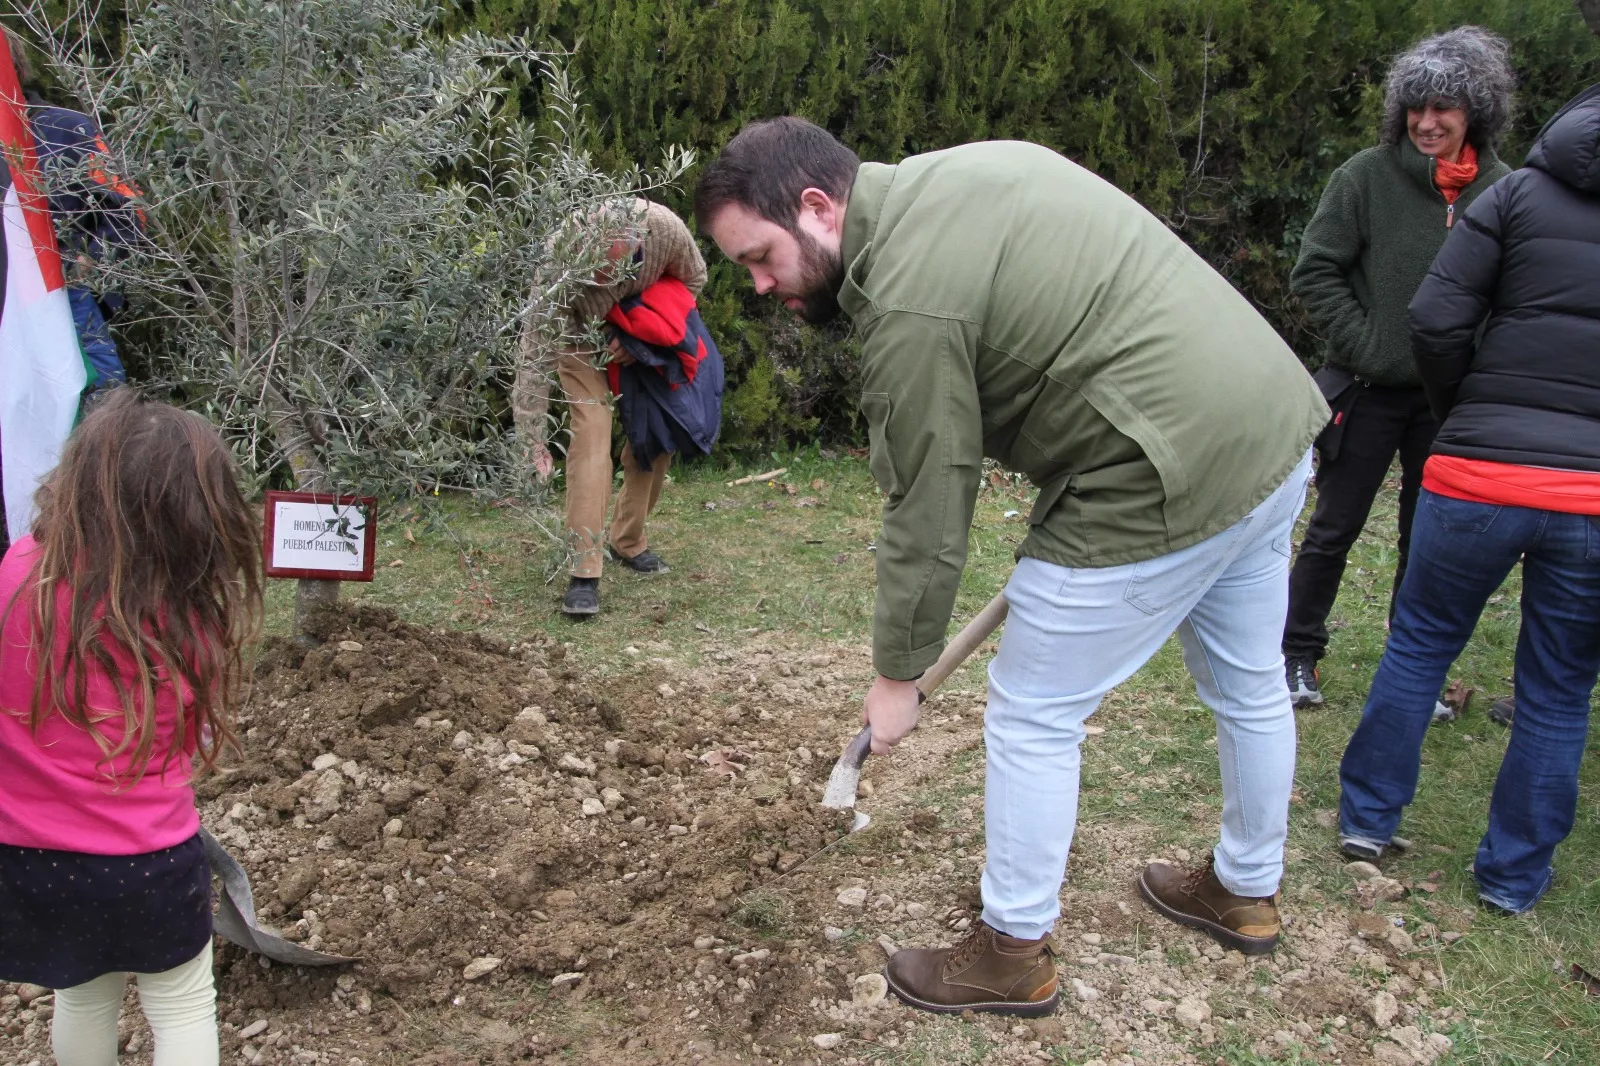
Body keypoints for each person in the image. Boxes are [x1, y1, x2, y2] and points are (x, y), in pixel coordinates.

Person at [696, 119, 1328, 1016]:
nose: (761, 286)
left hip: (1156, 469)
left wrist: (897, 675)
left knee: (1033, 713)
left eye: (760, 258)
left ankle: (1011, 953)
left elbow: (928, 498)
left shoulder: (909, 301)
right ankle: (1246, 891)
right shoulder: (972, 170)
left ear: (817, 208)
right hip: (1269, 428)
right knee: (1250, 682)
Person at [1338, 83, 1600, 914]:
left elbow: (1435, 317)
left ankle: (1366, 820)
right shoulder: (1513, 191)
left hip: (1475, 473)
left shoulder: (1516, 195)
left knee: (1420, 645)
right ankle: (1513, 877)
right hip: (1590, 496)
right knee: (1558, 689)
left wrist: (1462, 411)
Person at [0, 390, 263, 1065]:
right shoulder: (184, 616)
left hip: (31, 858)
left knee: (82, 997)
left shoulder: (17, 574)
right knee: (182, 1004)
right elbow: (189, 743)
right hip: (147, 860)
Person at [1283, 27, 1514, 711]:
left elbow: (1515, 294)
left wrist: (1478, 364)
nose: (1427, 121)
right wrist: (1370, 345)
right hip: (1366, 390)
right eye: (1416, 106)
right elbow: (1315, 271)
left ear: (1476, 111)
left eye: (1444, 107)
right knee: (1333, 529)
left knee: (1429, 541)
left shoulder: (1506, 191)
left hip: (1450, 403)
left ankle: (1415, 673)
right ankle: (1295, 655)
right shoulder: (1364, 177)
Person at [511, 198, 707, 618]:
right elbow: (534, 351)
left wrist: (642, 337)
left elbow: (695, 278)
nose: (602, 285)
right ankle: (584, 570)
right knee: (592, 433)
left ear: (638, 245)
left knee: (656, 434)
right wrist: (532, 440)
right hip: (578, 338)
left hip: (642, 340)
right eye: (594, 276)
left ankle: (628, 540)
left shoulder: (665, 229)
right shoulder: (558, 258)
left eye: (612, 274)